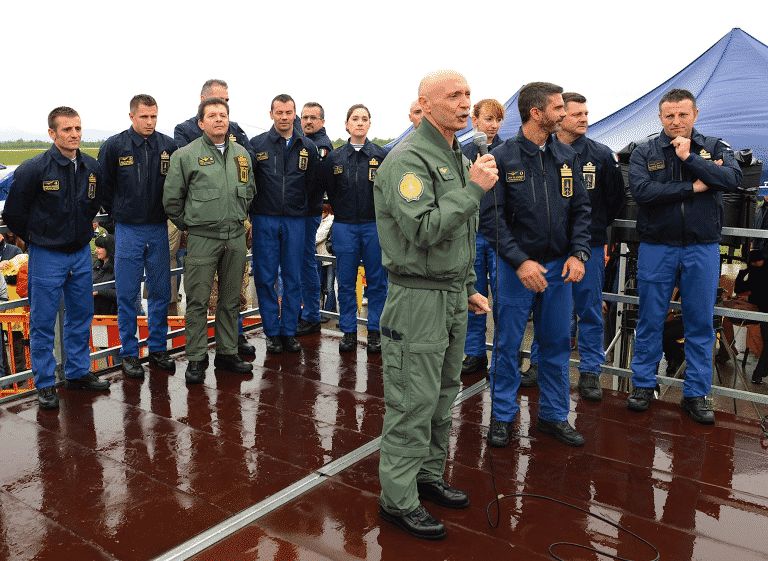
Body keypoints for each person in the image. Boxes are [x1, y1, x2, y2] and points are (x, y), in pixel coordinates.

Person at [373, 70, 498, 540]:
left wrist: (467, 284)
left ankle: (426, 476)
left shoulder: (456, 154)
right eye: (454, 96)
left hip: (449, 294)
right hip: (417, 297)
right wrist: (474, 191)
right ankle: (397, 499)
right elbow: (423, 229)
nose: (465, 103)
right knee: (412, 400)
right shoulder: (408, 159)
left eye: (468, 94)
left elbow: (462, 236)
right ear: (425, 104)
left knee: (444, 395)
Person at [481, 82, 592, 449]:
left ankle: (554, 416)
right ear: (537, 113)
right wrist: (520, 261)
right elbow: (491, 218)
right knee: (508, 344)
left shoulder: (566, 156)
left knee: (557, 344)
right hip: (516, 270)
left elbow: (581, 209)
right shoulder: (503, 157)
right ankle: (502, 417)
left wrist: (579, 253)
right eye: (558, 108)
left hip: (560, 267)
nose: (564, 114)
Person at [627, 88, 742, 425]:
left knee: (700, 324)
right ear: (660, 117)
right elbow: (642, 192)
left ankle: (696, 394)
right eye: (669, 116)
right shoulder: (644, 151)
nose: (676, 121)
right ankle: (643, 386)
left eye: (682, 115)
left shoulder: (715, 146)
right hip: (656, 247)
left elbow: (733, 179)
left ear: (695, 114)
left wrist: (692, 158)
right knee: (649, 319)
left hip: (702, 247)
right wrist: (695, 186)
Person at [2, 106, 110, 410]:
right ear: (52, 133)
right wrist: (40, 238)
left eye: (77, 128)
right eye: (67, 130)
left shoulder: (91, 167)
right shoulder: (33, 169)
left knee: (80, 316)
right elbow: (13, 215)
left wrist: (79, 233)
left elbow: (93, 203)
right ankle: (46, 383)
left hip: (79, 255)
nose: (74, 134)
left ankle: (76, 373)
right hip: (46, 256)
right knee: (42, 322)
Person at [164, 97, 257, 383]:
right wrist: (193, 225)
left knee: (230, 300)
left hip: (235, 237)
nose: (219, 119)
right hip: (202, 238)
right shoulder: (186, 155)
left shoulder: (242, 154)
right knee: (198, 301)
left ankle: (228, 353)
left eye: (223, 115)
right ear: (201, 123)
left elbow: (250, 190)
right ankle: (196, 358)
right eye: (212, 115)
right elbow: (171, 201)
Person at [550, 92, 625, 400]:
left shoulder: (602, 155)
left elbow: (615, 201)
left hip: (589, 247)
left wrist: (592, 229)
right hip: (550, 247)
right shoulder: (543, 152)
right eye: (576, 114)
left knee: (589, 310)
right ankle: (544, 364)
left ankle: (591, 371)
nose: (583, 118)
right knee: (549, 309)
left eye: (585, 113)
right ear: (559, 118)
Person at [98, 94, 178, 379]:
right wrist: (114, 216)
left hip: (159, 227)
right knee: (127, 294)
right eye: (144, 116)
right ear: (131, 116)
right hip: (128, 230)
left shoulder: (168, 145)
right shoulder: (115, 146)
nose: (150, 122)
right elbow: (102, 185)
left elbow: (178, 183)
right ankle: (130, 354)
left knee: (160, 292)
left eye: (154, 116)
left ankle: (157, 348)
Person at [250, 94, 318, 354]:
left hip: (295, 220)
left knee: (293, 277)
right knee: (266, 277)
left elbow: (312, 185)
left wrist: (301, 210)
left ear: (294, 115)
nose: (284, 117)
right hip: (264, 218)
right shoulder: (257, 145)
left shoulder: (307, 147)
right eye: (279, 112)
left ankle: (288, 331)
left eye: (289, 112)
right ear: (271, 114)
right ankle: (272, 332)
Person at [325, 104, 388, 354]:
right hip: (345, 226)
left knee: (377, 282)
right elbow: (330, 189)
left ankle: (375, 332)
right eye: (355, 118)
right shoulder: (335, 158)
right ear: (347, 124)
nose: (360, 123)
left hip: (374, 226)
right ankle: (349, 332)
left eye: (364, 119)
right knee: (347, 281)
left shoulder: (382, 156)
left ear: (369, 124)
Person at [461, 98, 505, 375]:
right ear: (474, 120)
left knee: (504, 299)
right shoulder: (462, 152)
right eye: (488, 119)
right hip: (472, 234)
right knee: (473, 296)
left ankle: (502, 356)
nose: (493, 125)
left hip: (500, 235)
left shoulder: (509, 151)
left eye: (497, 120)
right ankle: (474, 353)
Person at [296, 102, 333, 337]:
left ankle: (311, 314)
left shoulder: (321, 146)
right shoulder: (301, 142)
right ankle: (304, 311)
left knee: (306, 263)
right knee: (297, 264)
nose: (308, 121)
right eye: (305, 117)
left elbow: (312, 180)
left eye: (313, 118)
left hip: (308, 212)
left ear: (322, 121)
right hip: (296, 212)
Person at [732, 250, 768, 384]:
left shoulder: (763, 272)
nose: (753, 264)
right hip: (759, 311)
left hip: (762, 311)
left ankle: (759, 373)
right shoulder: (755, 271)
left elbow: (763, 293)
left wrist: (751, 297)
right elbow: (739, 289)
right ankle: (760, 372)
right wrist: (742, 274)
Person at [92, 234, 117, 315]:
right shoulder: (95, 267)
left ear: (109, 249)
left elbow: (122, 294)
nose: (96, 251)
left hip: (112, 316)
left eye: (99, 248)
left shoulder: (117, 269)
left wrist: (98, 292)